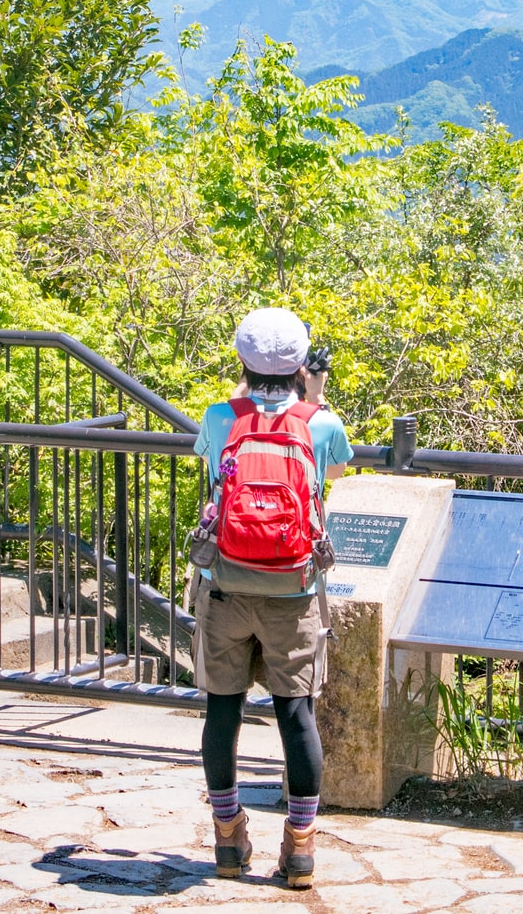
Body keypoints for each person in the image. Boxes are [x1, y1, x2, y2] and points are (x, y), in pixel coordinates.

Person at [190, 307, 350, 889]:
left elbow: (212, 462)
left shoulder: (218, 416)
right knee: (296, 713)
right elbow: (332, 472)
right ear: (302, 364)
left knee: (222, 710)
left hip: (226, 586)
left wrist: (245, 395)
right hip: (295, 590)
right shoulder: (321, 423)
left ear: (242, 360)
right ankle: (301, 850)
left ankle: (229, 838)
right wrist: (317, 392)